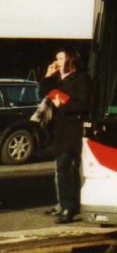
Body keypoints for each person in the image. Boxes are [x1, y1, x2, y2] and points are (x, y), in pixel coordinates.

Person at [40, 49, 93, 224]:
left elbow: (83, 104)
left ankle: (68, 207)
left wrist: (62, 101)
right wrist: (48, 76)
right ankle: (67, 205)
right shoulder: (58, 79)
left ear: (70, 60)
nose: (57, 61)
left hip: (73, 128)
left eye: (61, 58)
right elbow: (44, 93)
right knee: (64, 168)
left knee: (64, 166)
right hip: (60, 129)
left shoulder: (81, 78)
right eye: (57, 58)